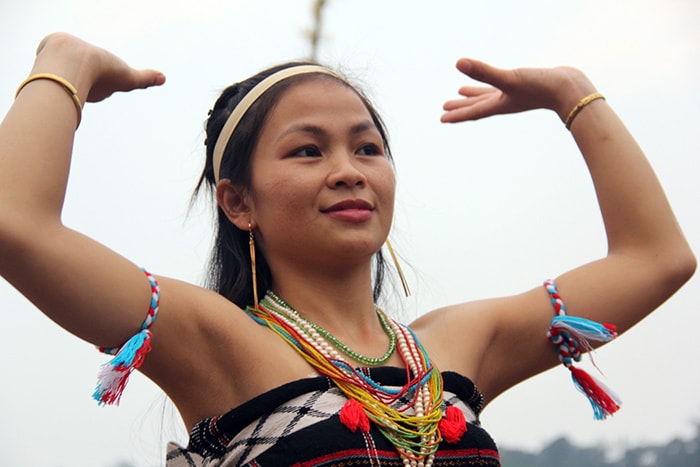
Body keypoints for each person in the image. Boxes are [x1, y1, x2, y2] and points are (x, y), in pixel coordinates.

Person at [0, 32, 695, 467]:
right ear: (238, 200)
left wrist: (574, 94)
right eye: (308, 150)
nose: (348, 168)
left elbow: (656, 258)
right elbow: (17, 226)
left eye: (368, 147)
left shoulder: (458, 346)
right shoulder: (216, 340)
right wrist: (63, 65)